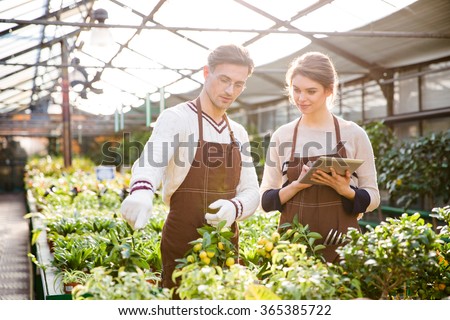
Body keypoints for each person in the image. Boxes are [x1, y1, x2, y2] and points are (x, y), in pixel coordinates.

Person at [120, 44, 260, 289]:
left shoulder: (237, 133)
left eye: (239, 84)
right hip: (182, 237)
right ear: (206, 73)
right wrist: (141, 192)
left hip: (224, 241)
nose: (230, 91)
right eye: (224, 80)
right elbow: (151, 162)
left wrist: (234, 208)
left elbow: (251, 191)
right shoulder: (177, 118)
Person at [259, 52, 380, 263]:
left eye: (311, 91)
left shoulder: (354, 134)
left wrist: (347, 191)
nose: (301, 98)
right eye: (296, 90)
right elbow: (265, 201)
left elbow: (373, 197)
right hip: (293, 247)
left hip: (343, 246)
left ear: (329, 90)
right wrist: (296, 186)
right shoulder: (282, 135)